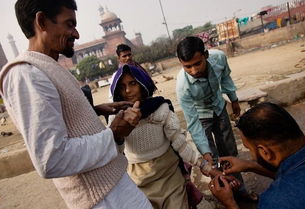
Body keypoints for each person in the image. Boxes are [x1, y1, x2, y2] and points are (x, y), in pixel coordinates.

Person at [0, 1, 152, 209]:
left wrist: (93, 110)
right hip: (103, 200)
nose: (76, 34)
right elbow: (51, 159)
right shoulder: (26, 74)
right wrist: (113, 133)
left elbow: (59, 120)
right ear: (41, 21)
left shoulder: (46, 67)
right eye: (69, 24)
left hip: (111, 189)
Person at [110, 64, 239, 209]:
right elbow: (115, 152)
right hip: (138, 181)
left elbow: (181, 145)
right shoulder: (116, 118)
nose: (127, 90)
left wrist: (208, 168)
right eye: (122, 86)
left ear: (142, 83)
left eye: (132, 83)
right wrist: (120, 132)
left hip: (169, 176)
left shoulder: (160, 110)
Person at [175, 36, 256, 201]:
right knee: (212, 161)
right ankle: (226, 197)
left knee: (230, 152)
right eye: (187, 67)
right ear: (180, 63)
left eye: (197, 63)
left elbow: (226, 79)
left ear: (205, 55)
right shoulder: (182, 86)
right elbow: (193, 122)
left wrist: (234, 100)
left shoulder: (218, 58)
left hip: (219, 109)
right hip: (201, 117)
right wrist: (204, 151)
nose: (194, 70)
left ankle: (241, 192)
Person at [209, 102, 305, 209]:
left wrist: (230, 204)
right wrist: (250, 166)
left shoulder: (275, 201)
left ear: (265, 152)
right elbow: (291, 174)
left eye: (249, 148)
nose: (251, 155)